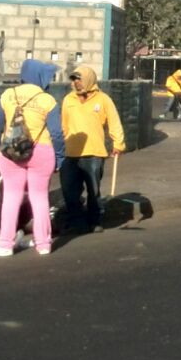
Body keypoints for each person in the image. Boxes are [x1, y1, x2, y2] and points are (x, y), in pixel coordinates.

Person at [0, 59, 66, 257]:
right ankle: (43, 244)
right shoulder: (47, 100)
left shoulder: (7, 95)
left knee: (11, 197)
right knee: (39, 198)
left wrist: (3, 146)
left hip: (11, 153)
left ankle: (5, 244)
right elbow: (57, 133)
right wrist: (59, 158)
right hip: (42, 152)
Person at [59, 65, 126, 234]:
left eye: (79, 78)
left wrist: (118, 143)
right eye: (74, 79)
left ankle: (94, 221)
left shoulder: (103, 99)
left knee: (93, 190)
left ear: (89, 79)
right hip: (72, 152)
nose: (76, 83)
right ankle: (76, 221)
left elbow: (114, 122)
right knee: (69, 189)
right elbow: (64, 126)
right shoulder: (69, 100)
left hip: (94, 153)